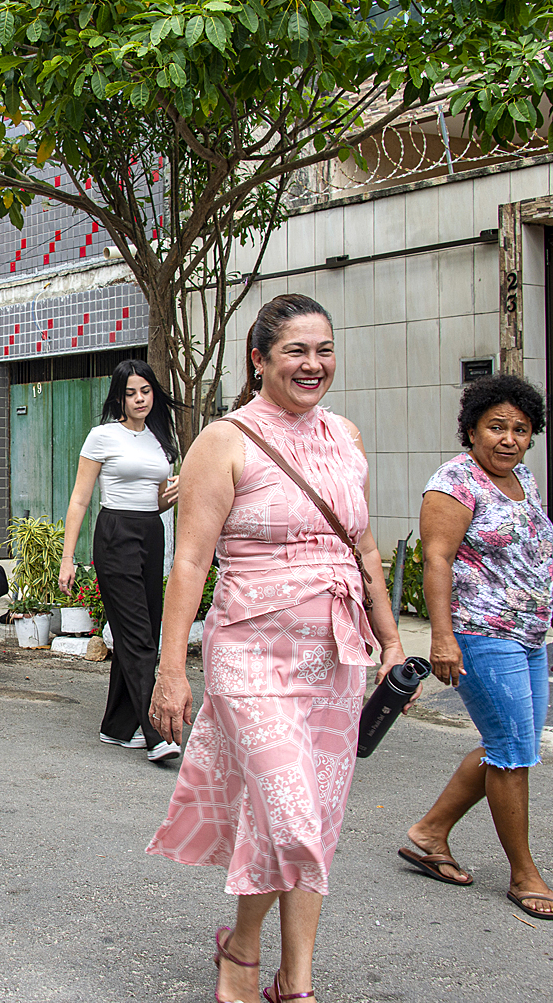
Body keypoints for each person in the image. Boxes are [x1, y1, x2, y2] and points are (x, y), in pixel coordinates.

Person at [145, 294, 412, 1003]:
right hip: (250, 654)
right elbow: (190, 564)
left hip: (335, 656)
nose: (312, 364)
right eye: (295, 350)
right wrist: (171, 669)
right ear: (257, 358)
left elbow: (363, 547)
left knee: (312, 820)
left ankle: (293, 979)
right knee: (290, 812)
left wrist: (389, 641)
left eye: (323, 349)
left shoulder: (345, 436)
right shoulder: (224, 440)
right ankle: (241, 946)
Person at [399, 374, 553, 921]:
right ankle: (525, 876)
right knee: (513, 750)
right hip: (481, 633)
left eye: (520, 429)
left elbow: (540, 559)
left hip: (529, 634)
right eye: (496, 427)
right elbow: (437, 561)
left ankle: (430, 832)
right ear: (471, 429)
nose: (509, 439)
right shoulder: (455, 481)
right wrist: (442, 636)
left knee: (510, 743)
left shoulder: (524, 479)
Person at [58, 360, 182, 761]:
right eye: (131, 393)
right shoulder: (102, 437)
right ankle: (155, 730)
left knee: (141, 629)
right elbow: (80, 499)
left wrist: (175, 493)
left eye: (145, 390)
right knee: (138, 636)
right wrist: (67, 558)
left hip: (152, 533)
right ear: (119, 397)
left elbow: (157, 497)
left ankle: (117, 725)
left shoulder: (161, 437)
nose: (140, 399)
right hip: (115, 535)